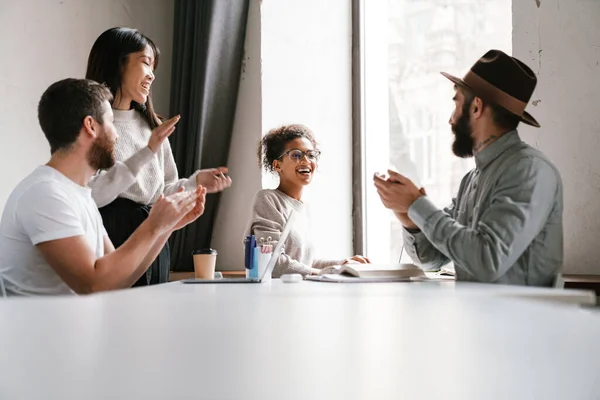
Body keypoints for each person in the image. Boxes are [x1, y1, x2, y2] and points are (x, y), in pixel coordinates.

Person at [0, 78, 207, 296]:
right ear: (91, 126)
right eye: (111, 123)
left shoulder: (80, 196)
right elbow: (93, 284)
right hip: (44, 330)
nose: (116, 135)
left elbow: (118, 279)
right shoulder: (45, 194)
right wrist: (153, 226)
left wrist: (167, 227)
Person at [374, 49, 563, 286]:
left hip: (521, 322)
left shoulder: (529, 170)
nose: (451, 119)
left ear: (475, 108)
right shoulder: (472, 179)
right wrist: (410, 220)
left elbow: (487, 262)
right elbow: (432, 260)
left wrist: (416, 205)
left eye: (456, 105)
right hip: (480, 319)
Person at [85, 27, 232, 286]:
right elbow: (90, 194)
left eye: (154, 66)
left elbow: (163, 191)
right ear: (117, 62)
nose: (152, 75)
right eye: (145, 62)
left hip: (154, 233)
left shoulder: (151, 126)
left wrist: (196, 182)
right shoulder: (92, 125)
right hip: (111, 235)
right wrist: (147, 151)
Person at [246, 124, 369, 278]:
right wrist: (328, 273)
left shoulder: (304, 209)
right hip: (275, 297)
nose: (306, 160)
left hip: (300, 296)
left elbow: (305, 264)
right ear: (278, 165)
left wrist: (342, 264)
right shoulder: (268, 199)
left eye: (311, 155)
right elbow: (272, 262)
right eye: (296, 155)